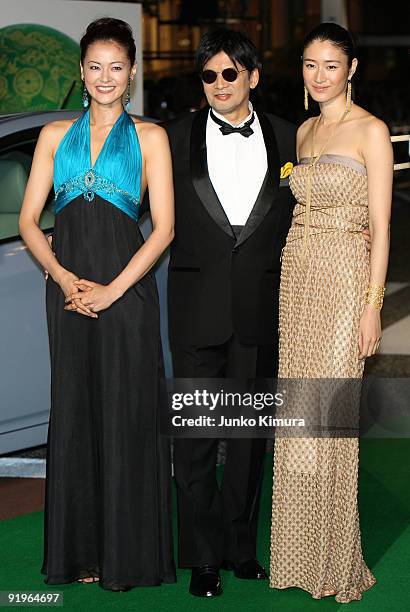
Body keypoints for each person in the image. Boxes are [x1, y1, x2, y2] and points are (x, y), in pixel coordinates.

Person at [19, 18, 176, 591]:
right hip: (68, 295)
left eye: (116, 66)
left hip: (126, 294)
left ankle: (128, 556)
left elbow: (162, 230)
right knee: (78, 413)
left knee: (127, 414)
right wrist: (63, 279)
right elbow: (28, 222)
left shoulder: (152, 138)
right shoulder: (55, 136)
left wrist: (112, 291)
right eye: (94, 66)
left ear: (131, 73)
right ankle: (82, 553)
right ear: (80, 72)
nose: (105, 77)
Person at [164, 28, 297, 597]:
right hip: (195, 309)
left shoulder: (293, 139)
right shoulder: (170, 139)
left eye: (230, 73)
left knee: (247, 441)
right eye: (209, 75)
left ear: (253, 78)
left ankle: (243, 548)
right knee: (195, 439)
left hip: (259, 310)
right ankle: (202, 558)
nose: (219, 84)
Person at [269, 22, 392, 603]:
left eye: (330, 65)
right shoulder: (304, 131)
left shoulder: (372, 131)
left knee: (332, 421)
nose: (319, 76)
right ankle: (297, 556)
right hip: (298, 277)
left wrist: (373, 308)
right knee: (299, 419)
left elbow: (384, 228)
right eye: (310, 65)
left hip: (346, 281)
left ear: (352, 70)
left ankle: (335, 559)